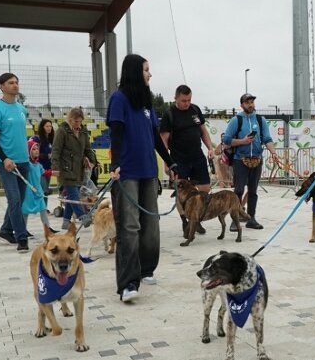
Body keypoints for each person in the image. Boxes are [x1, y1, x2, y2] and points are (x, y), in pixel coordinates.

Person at [106, 53, 176, 302]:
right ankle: (127, 283)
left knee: (150, 225)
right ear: (136, 71)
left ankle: (147, 269)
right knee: (129, 227)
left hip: (148, 172)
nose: (150, 74)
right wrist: (115, 164)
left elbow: (155, 137)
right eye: (147, 69)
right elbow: (116, 132)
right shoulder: (118, 99)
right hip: (127, 173)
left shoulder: (146, 102)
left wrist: (170, 162)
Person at [159, 84, 215, 235]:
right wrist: (167, 162)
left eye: (189, 100)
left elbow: (203, 131)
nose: (187, 103)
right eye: (183, 100)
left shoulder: (195, 110)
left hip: (197, 156)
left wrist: (210, 147)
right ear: (175, 98)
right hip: (178, 159)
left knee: (205, 188)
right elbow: (163, 140)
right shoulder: (169, 115)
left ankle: (196, 219)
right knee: (181, 193)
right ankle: (185, 220)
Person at [222, 93, 281, 231]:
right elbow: (226, 140)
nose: (251, 104)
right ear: (242, 105)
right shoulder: (236, 120)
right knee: (238, 190)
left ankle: (251, 218)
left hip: (257, 160)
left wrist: (273, 153)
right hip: (240, 160)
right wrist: (242, 141)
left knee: (253, 191)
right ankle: (235, 220)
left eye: (252, 102)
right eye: (247, 102)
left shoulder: (260, 120)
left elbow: (267, 138)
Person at [0, 72, 30, 253]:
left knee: (19, 201)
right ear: (1, 86)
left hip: (24, 161)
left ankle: (6, 230)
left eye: (16, 82)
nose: (15, 85)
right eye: (11, 83)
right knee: (14, 199)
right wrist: (4, 158)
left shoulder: (21, 108)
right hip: (6, 162)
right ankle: (21, 237)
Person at [52, 107, 97, 230]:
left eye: (80, 121)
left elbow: (87, 148)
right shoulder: (62, 131)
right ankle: (83, 216)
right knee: (74, 195)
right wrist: (55, 167)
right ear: (70, 120)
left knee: (72, 197)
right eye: (76, 121)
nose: (78, 124)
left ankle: (66, 221)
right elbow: (56, 150)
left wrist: (92, 161)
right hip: (65, 169)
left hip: (79, 170)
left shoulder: (83, 131)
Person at [23, 138, 56, 234]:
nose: (36, 150)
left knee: (43, 209)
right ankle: (22, 230)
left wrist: (54, 172)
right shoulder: (26, 165)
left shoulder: (38, 165)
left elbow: (44, 172)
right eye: (33, 149)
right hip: (28, 192)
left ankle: (48, 229)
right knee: (25, 212)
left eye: (37, 148)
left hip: (38, 191)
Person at [36, 118, 54, 209]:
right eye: (47, 126)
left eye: (50, 126)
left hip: (48, 169)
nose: (49, 128)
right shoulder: (37, 138)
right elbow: (35, 152)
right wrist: (47, 156)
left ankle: (44, 207)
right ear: (42, 127)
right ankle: (42, 208)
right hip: (40, 169)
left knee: (45, 189)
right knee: (44, 189)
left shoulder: (51, 139)